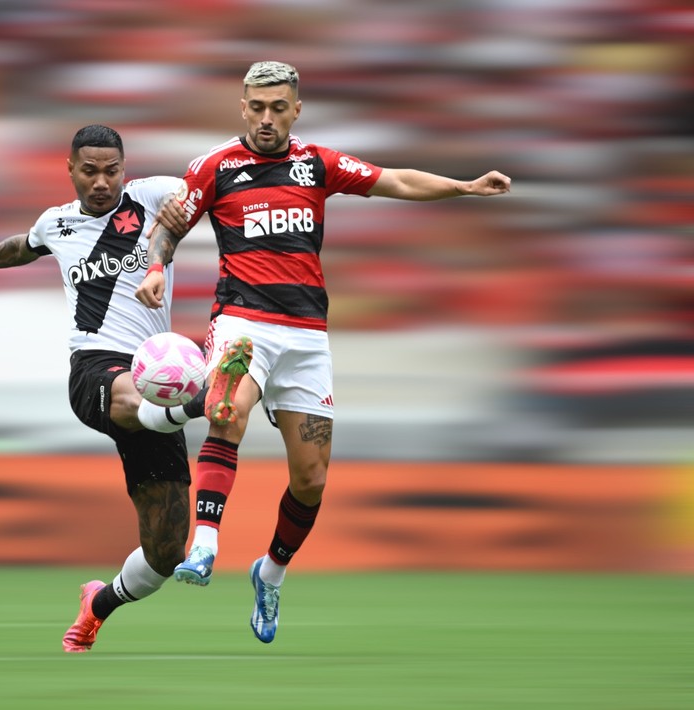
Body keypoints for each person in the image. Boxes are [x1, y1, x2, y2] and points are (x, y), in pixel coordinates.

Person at [136, 61, 511, 644]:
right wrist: (157, 266)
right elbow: (170, 224)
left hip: (307, 335)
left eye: (277, 107)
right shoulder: (214, 167)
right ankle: (204, 546)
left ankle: (271, 572)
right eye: (256, 107)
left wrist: (463, 186)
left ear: (296, 110)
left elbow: (398, 181)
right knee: (225, 407)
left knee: (310, 480)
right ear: (242, 107)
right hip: (242, 320)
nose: (266, 118)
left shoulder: (317, 163)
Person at [0, 124, 207, 653]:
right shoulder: (57, 223)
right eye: (90, 170)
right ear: (70, 170)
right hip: (96, 369)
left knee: (166, 552)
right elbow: (18, 249)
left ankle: (98, 605)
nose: (101, 181)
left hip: (157, 379)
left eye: (111, 170)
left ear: (125, 168)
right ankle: (201, 404)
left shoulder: (154, 194)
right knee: (131, 397)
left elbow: (214, 188)